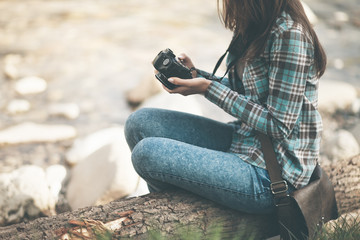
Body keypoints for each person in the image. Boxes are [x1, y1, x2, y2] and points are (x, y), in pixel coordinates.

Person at [124, 0, 326, 215]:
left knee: (146, 154)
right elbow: (249, 93)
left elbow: (279, 124)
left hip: (273, 173)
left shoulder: (289, 34)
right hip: (246, 140)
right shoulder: (257, 25)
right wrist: (198, 77)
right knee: (139, 123)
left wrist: (208, 88)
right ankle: (183, 210)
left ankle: (179, 220)